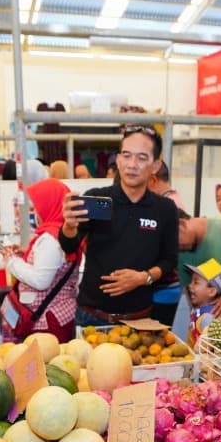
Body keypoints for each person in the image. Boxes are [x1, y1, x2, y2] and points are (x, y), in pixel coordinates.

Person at [60, 126, 178, 326]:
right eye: (126, 155)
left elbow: (169, 261)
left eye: (142, 158)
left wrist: (143, 278)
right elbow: (69, 246)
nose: (132, 164)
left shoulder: (164, 209)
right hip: (91, 316)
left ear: (155, 165)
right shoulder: (98, 198)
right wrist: (69, 226)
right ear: (118, 159)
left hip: (140, 319)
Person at [3, 178, 81, 342]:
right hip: (55, 316)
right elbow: (54, 263)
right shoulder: (60, 232)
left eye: (37, 206)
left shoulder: (51, 239)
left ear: (50, 205)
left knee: (45, 366)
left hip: (48, 321)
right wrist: (27, 254)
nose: (35, 211)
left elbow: (41, 280)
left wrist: (12, 261)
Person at [186, 258, 221, 346]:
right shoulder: (197, 312)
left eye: (196, 282)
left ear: (212, 292)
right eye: (191, 281)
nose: (190, 285)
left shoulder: (208, 318)